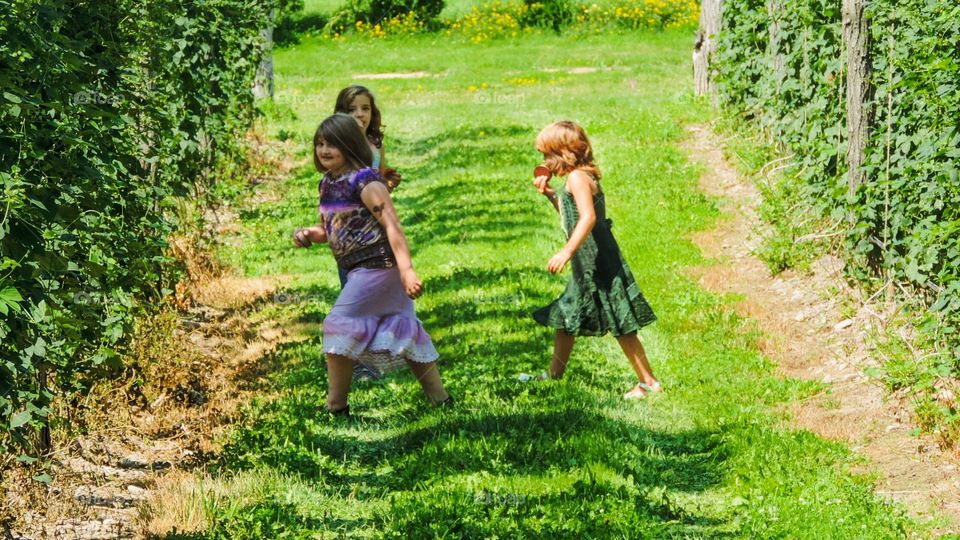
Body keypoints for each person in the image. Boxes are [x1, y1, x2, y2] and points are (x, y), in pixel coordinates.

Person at [292, 113, 451, 416]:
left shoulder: (365, 181)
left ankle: (336, 406)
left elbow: (392, 225)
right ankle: (441, 400)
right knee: (406, 328)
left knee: (337, 324)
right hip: (358, 270)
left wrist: (407, 270)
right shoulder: (328, 183)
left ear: (351, 145)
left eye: (332, 144)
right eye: (319, 144)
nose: (324, 150)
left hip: (378, 266)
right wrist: (312, 234)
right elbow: (334, 228)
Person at [529, 120, 662, 400]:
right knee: (567, 315)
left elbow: (588, 218)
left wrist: (566, 251)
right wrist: (552, 197)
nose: (543, 162)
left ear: (562, 153)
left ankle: (649, 381)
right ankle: (555, 374)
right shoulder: (578, 177)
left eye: (546, 155)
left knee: (620, 320)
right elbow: (574, 216)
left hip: (597, 260)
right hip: (589, 260)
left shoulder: (577, 178)